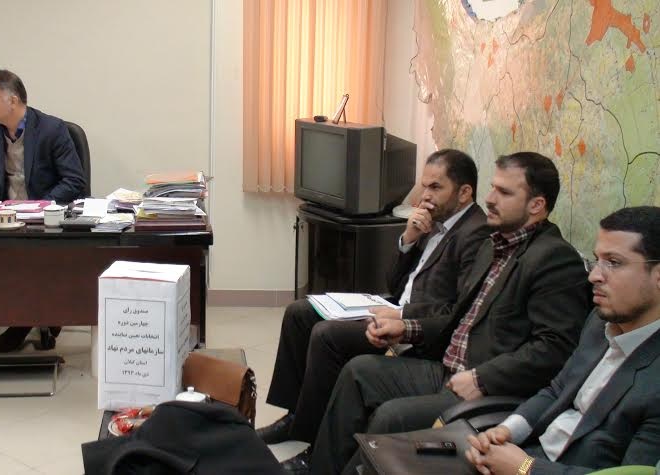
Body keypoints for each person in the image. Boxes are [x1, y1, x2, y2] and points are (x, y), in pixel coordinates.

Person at [299, 152, 591, 475]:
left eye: (504, 192)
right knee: (358, 371)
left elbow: (555, 348)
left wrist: (482, 378)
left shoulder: (554, 259)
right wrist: (406, 328)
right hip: (445, 367)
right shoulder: (494, 245)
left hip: (485, 386)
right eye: (492, 188)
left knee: (391, 416)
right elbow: (456, 314)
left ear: (536, 205)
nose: (490, 199)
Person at [260, 150, 491, 445]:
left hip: (419, 330)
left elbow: (458, 309)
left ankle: (312, 435)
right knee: (299, 313)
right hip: (393, 306)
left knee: (326, 335)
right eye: (424, 186)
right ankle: (294, 417)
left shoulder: (475, 234)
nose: (425, 196)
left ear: (464, 192)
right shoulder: (434, 220)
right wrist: (409, 239)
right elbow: (394, 283)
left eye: (436, 187)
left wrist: (402, 316)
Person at [465, 206, 660, 475]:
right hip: (526, 453)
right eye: (597, 260)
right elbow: (558, 390)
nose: (594, 276)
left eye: (614, 262)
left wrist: (525, 468)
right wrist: (506, 431)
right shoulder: (599, 322)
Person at [0, 69, 87, 352]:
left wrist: (38, 207)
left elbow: (74, 181)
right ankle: (38, 315)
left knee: (33, 259)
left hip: (45, 219)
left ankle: (26, 321)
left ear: (12, 100)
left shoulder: (52, 129)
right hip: (6, 219)